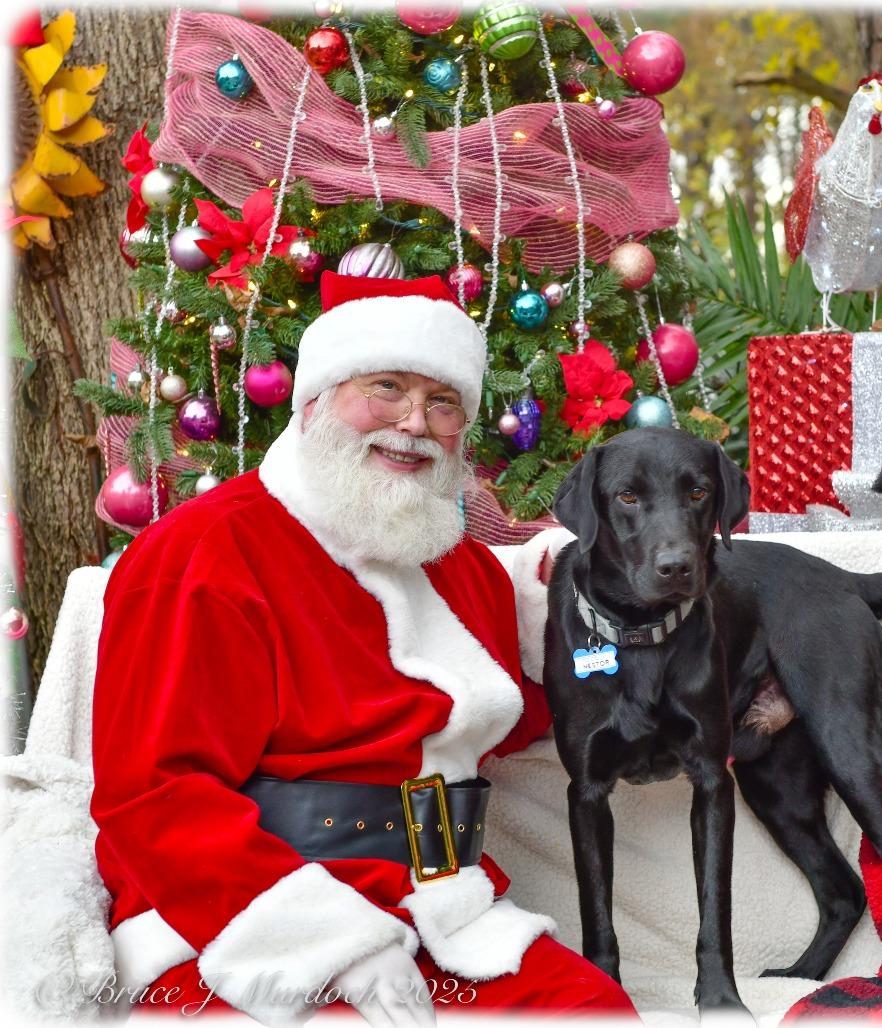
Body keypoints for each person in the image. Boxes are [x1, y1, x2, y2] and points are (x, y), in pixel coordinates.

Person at [90, 273, 638, 1025]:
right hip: (235, 923)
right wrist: (334, 946)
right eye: (386, 387)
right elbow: (155, 797)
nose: (414, 422)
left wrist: (607, 636)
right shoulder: (204, 553)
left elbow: (529, 709)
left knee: (592, 1013)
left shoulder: (460, 563)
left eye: (443, 402)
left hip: (440, 908)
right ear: (314, 399)